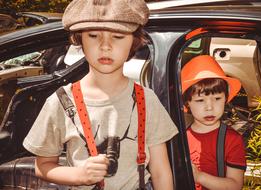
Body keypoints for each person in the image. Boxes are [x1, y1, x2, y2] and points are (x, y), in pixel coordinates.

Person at [23, 0, 178, 189]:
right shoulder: (61, 101)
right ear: (79, 39)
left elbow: (161, 171)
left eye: (118, 36)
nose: (106, 46)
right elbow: (43, 166)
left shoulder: (147, 100)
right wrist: (78, 175)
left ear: (134, 41)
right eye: (94, 35)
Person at [181, 55, 246, 190]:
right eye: (200, 100)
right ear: (187, 103)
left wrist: (199, 177)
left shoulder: (232, 140)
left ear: (226, 99)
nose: (209, 107)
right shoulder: (181, 138)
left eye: (217, 98)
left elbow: (235, 185)